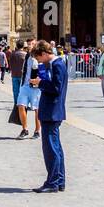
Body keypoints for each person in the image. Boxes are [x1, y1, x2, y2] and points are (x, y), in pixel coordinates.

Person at [31, 41, 67, 193]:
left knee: (51, 148)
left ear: (44, 54)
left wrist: (41, 83)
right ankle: (59, 180)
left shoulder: (57, 65)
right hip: (53, 111)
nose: (39, 61)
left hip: (51, 112)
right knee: (56, 147)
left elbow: (56, 88)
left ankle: (52, 182)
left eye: (39, 58)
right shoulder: (56, 64)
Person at [15, 45, 41, 139]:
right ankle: (25, 129)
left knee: (37, 109)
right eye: (28, 45)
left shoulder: (41, 57)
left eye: (31, 45)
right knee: (20, 105)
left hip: (36, 87)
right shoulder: (26, 56)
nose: (29, 46)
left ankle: (37, 130)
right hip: (25, 86)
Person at [9, 40, 28, 106]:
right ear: (23, 46)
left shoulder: (12, 54)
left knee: (15, 90)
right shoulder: (25, 54)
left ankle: (16, 102)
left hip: (14, 74)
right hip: (23, 75)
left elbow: (10, 64)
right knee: (23, 90)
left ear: (16, 45)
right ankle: (23, 103)